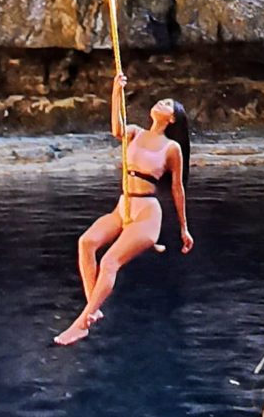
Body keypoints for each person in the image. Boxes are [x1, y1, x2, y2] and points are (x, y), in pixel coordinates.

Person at [55, 71, 192, 346]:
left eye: (167, 104)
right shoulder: (135, 133)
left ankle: (82, 323)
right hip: (124, 206)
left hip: (146, 214)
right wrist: (116, 90)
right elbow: (117, 129)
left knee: (109, 262)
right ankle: (94, 307)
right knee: (86, 243)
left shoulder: (172, 147)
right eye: (162, 100)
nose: (161, 103)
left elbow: (177, 188)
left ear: (172, 119)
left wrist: (183, 228)